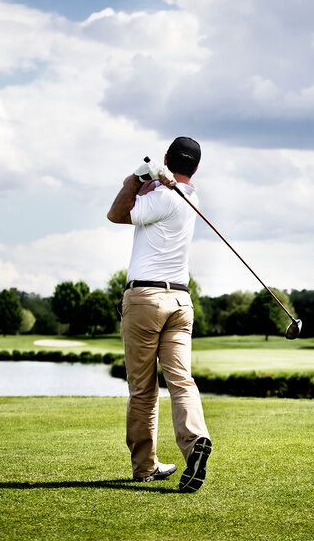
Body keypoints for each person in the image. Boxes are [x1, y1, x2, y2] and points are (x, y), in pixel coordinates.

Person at [107, 136, 211, 493]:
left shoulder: (162, 197)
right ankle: (196, 439)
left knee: (142, 389)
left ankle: (145, 466)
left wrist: (136, 177)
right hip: (180, 302)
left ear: (167, 158)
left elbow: (117, 213)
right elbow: (162, 188)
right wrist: (158, 177)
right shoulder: (191, 198)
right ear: (195, 168)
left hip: (145, 298)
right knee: (181, 380)